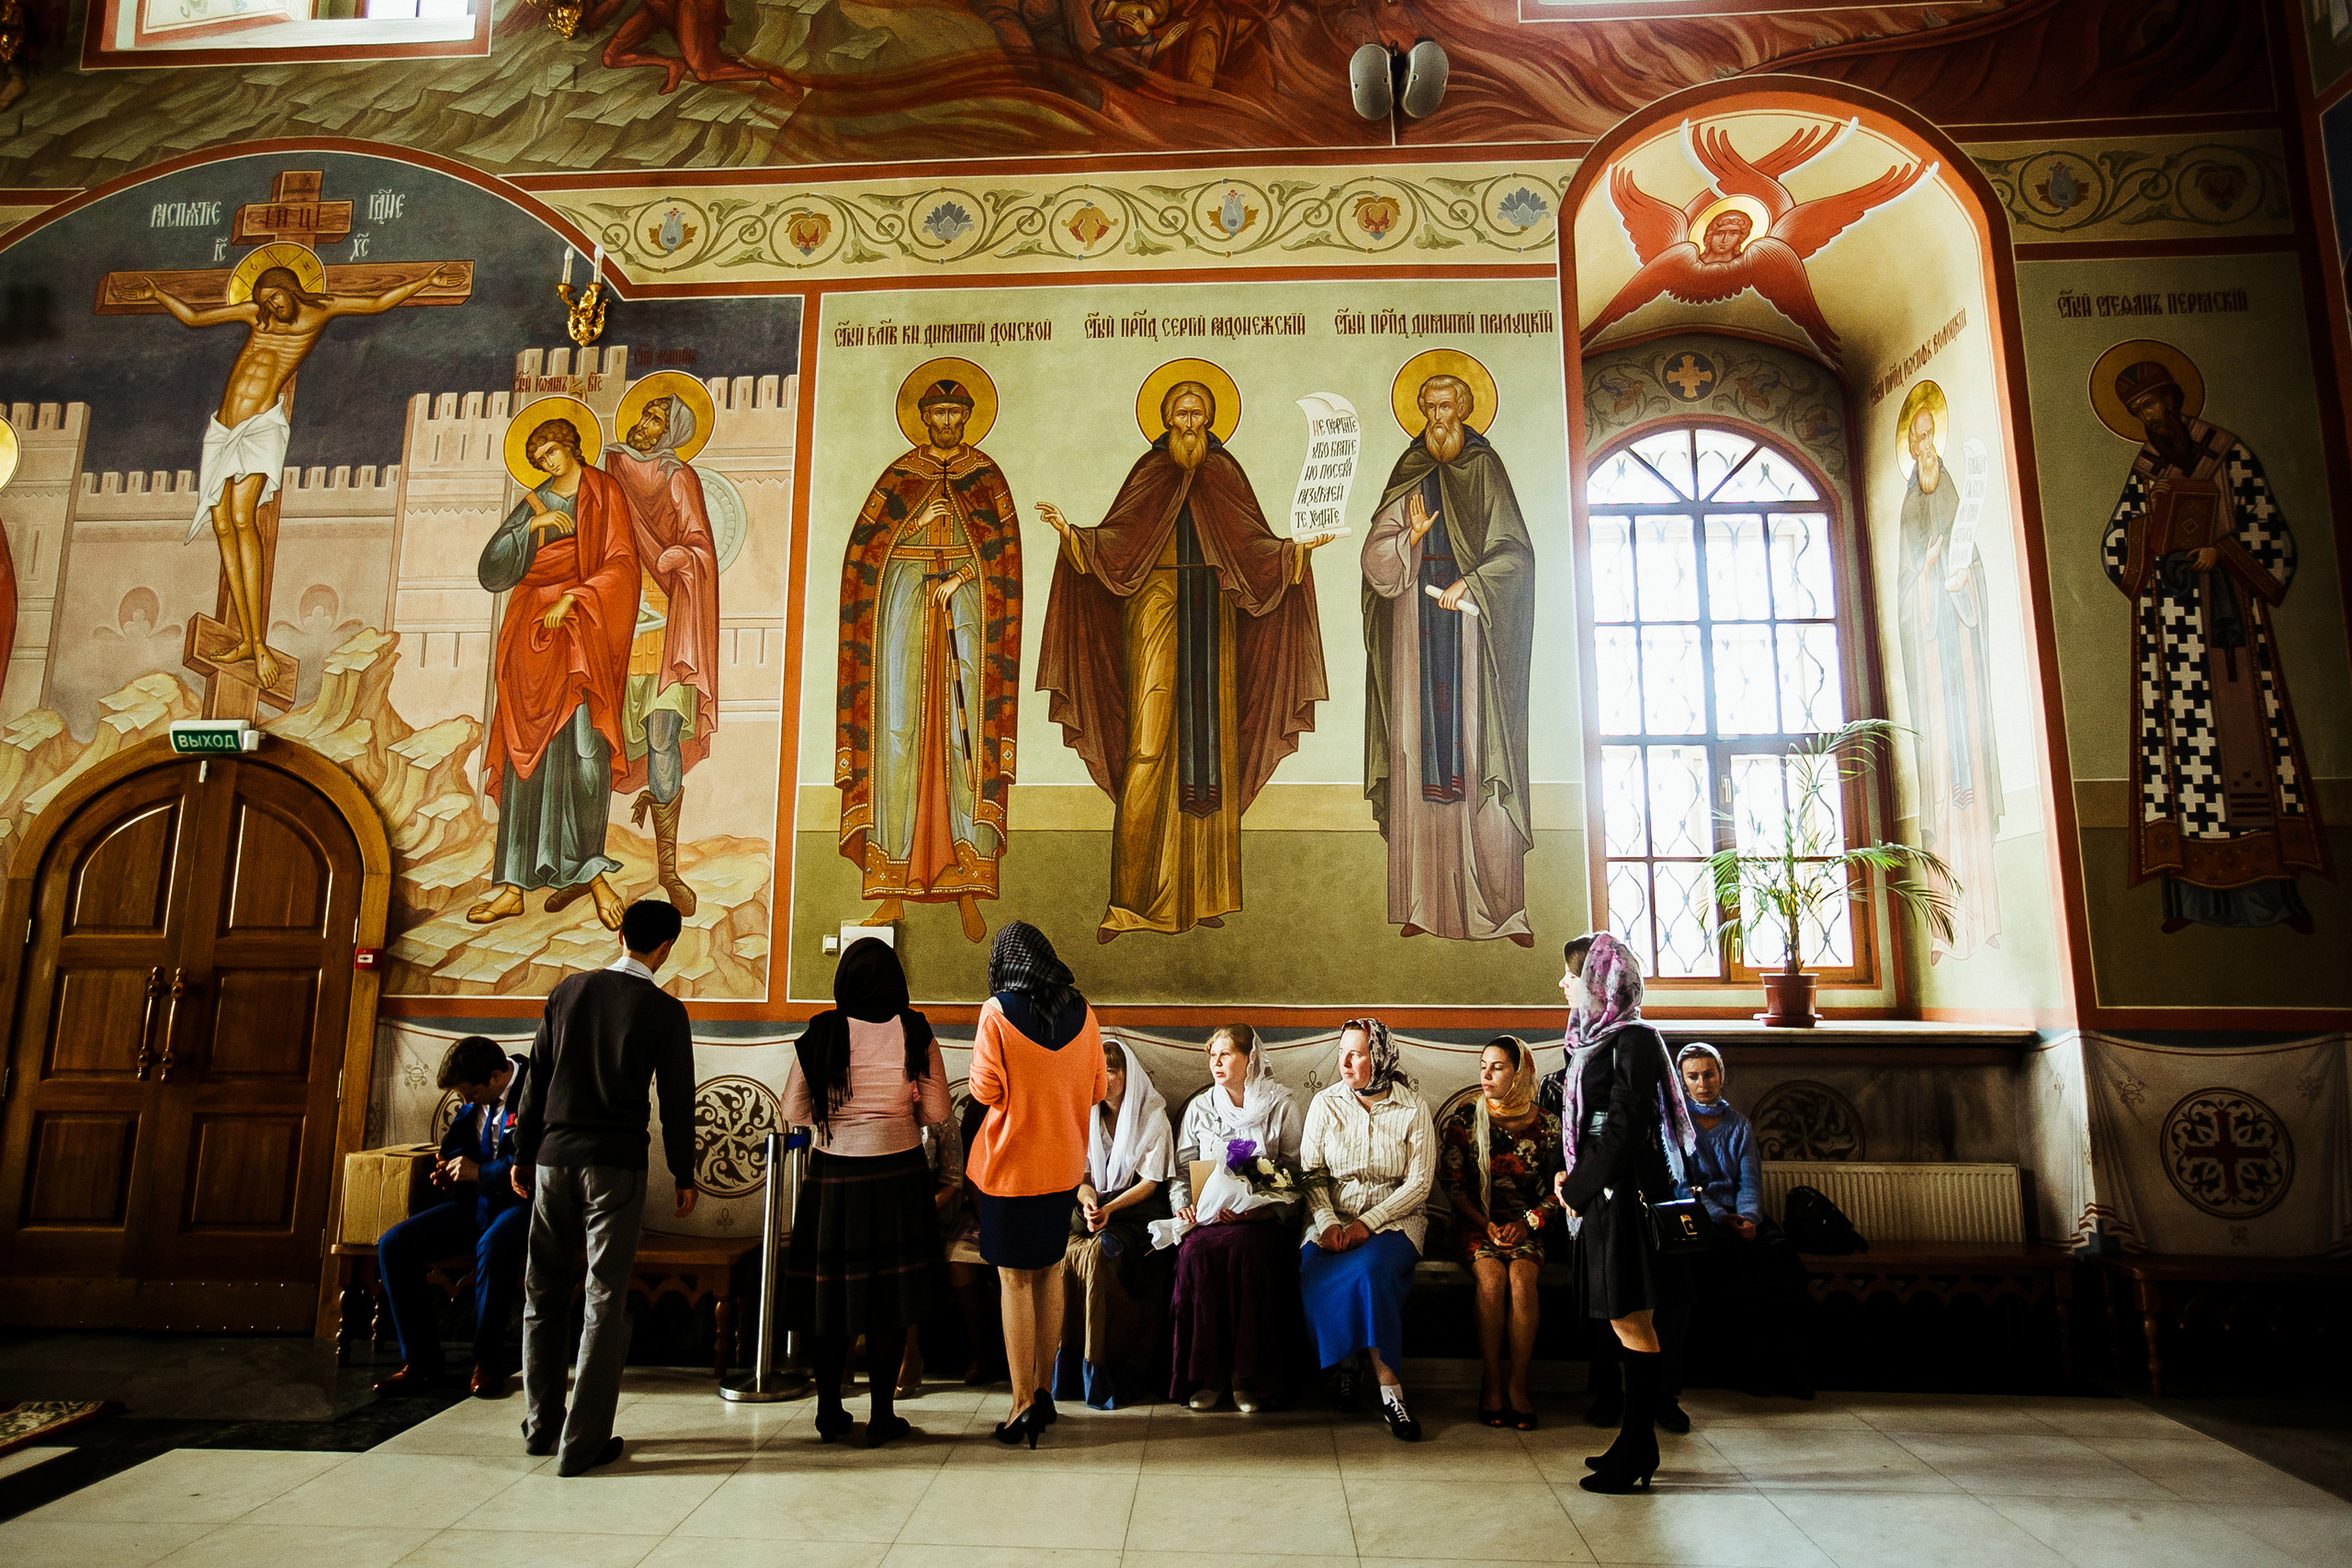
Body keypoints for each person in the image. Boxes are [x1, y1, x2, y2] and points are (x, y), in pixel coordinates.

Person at [1035, 378, 1337, 941]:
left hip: (1214, 614)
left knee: (1213, 751)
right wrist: (1073, 536)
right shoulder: (1150, 472)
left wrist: (1296, 552)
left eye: (1199, 413)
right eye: (1181, 414)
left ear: (1211, 420)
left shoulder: (1225, 472)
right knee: (1148, 746)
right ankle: (1131, 900)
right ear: (1166, 420)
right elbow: (1119, 540)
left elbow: (1252, 546)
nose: (1190, 423)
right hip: (1155, 606)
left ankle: (1206, 894)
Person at [510, 899, 698, 1477]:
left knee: (541, 1296)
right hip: (615, 1165)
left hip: (551, 1159)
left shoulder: (567, 992)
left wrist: (522, 1156)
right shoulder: (665, 1010)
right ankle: (582, 1443)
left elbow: (535, 1080)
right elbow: (676, 1100)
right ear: (665, 949)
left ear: (619, 933)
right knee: (603, 1300)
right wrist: (684, 1172)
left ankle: (541, 1426)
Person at [837, 376, 1023, 943]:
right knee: (896, 741)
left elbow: (1006, 562)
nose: (946, 423)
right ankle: (892, 893)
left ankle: (966, 885)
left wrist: (965, 577)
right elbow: (861, 559)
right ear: (923, 418)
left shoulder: (986, 477)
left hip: (966, 621)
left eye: (955, 413)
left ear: (967, 418)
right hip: (901, 619)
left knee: (962, 745)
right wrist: (914, 527)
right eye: (937, 413)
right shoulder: (899, 477)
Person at [1361, 372, 1537, 944]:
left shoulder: (1485, 469)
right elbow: (1374, 561)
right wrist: (1410, 539)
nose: (1437, 417)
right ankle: (1422, 904)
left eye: (1447, 406)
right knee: (1416, 752)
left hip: (1471, 638)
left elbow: (1516, 555)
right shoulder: (1408, 471)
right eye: (1428, 407)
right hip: (1415, 632)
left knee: (1477, 751)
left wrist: (1475, 582)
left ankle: (1501, 909)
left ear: (1464, 410)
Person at [472, 414, 641, 931]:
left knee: (586, 755)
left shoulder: (604, 491)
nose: (547, 462)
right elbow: (491, 570)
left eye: (552, 451)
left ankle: (591, 874)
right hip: (530, 640)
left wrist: (575, 596)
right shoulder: (536, 503)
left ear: (571, 446)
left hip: (582, 632)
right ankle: (511, 886)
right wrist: (532, 529)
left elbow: (623, 563)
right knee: (528, 761)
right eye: (539, 457)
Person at [780, 938, 951, 1447]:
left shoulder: (823, 1032)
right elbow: (938, 1113)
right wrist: (902, 1115)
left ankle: (830, 1411)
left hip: (834, 1176)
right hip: (899, 1175)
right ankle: (881, 1415)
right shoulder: (915, 1030)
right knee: (890, 1299)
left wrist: (841, 1122)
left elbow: (793, 1110)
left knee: (831, 1298)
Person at [1552, 931, 1698, 1494]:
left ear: (1596, 981)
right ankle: (1635, 1439)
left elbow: (1624, 1127)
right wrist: (1575, 1176)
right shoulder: (1593, 1037)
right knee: (1623, 1319)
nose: (1562, 983)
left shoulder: (1632, 1039)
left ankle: (1639, 1445)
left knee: (1631, 1318)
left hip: (1624, 1195)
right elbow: (1588, 1128)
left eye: (1570, 973)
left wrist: (1578, 1188)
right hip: (1603, 1189)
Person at [967, 921, 1109, 1447]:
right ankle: (1046, 1393)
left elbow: (984, 1089)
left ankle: (1021, 1402)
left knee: (1014, 1281)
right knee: (1051, 1273)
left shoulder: (997, 1012)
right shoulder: (1084, 1011)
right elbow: (1098, 1087)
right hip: (1064, 1168)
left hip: (1009, 1169)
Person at [605, 387, 722, 916]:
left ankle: (668, 870)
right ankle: (584, 863)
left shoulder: (679, 478)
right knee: (594, 734)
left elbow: (701, 546)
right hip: (613, 616)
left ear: (671, 432)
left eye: (657, 419)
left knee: (661, 736)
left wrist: (681, 555)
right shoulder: (608, 470)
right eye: (644, 415)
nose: (645, 425)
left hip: (664, 620)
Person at [1298, 1018, 1436, 1441]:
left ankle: (1390, 1391)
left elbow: (1419, 1184)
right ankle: (1344, 1368)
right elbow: (1311, 1174)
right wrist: (1327, 1222)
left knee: (1370, 1273)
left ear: (1379, 1057)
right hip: (1332, 1219)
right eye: (1342, 1052)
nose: (1346, 1062)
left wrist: (1367, 1223)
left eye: (1357, 1054)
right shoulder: (1325, 1104)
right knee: (1313, 1268)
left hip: (1394, 1221)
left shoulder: (1413, 1107)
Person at [372, 1035, 532, 1400]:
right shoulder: (475, 1101)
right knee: (394, 1245)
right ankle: (421, 1362)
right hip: (475, 1205)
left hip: (525, 1203)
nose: (464, 1102)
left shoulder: (540, 1087)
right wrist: (450, 1172)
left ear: (495, 1077)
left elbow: (540, 1158)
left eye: (469, 1094)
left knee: (493, 1247)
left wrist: (480, 1172)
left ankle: (487, 1362)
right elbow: (462, 1147)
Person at [1160, 1023, 1306, 1414]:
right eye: (1212, 1055)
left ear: (1250, 1058)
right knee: (1195, 1256)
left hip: (1261, 1224)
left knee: (1248, 1255)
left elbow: (1297, 1174)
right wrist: (1183, 1206)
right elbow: (1182, 1171)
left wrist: (1263, 1210)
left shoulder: (1281, 1106)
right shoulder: (1201, 1108)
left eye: (1225, 1054)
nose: (1216, 1063)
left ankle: (1246, 1377)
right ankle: (1210, 1376)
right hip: (1209, 1222)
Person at [1675, 1043, 1815, 1400]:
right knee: (1733, 1265)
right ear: (1682, 1080)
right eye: (1694, 1076)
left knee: (1781, 1257)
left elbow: (1749, 1179)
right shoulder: (1678, 1126)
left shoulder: (1739, 1124)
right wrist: (1723, 1218)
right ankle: (1750, 1370)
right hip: (1703, 1215)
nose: (1703, 1083)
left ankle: (1789, 1367)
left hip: (1742, 1213)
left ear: (1721, 1075)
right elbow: (1682, 1183)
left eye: (1709, 1074)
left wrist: (1749, 1218)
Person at [1438, 1034, 1561, 1428]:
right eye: (1483, 1066)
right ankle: (1491, 1382)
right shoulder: (1464, 1118)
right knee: (1491, 1280)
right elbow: (1454, 1187)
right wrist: (1486, 1224)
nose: (1487, 1075)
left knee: (1523, 1280)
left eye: (1498, 1067)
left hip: (1528, 1226)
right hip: (1478, 1224)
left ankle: (1518, 1386)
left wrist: (1526, 1226)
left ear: (1520, 1072)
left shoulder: (1547, 1126)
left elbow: (1561, 1189)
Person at [1057, 1036, 1176, 1408]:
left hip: (1136, 1207)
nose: (1105, 1080)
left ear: (1128, 1075)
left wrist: (1109, 1210)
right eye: (1099, 1072)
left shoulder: (1152, 1114)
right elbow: (1081, 1174)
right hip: (1096, 1203)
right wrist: (1090, 1200)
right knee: (1062, 1253)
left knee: (1100, 1256)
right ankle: (1067, 1370)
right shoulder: (1084, 1112)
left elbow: (1150, 1183)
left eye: (1112, 1071)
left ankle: (1110, 1367)